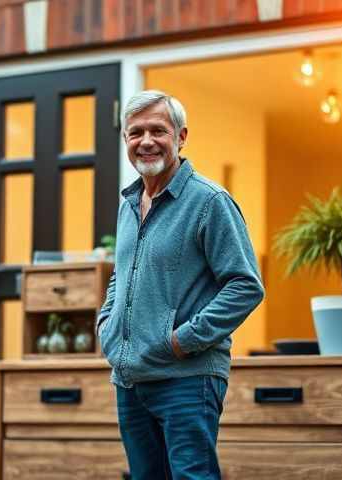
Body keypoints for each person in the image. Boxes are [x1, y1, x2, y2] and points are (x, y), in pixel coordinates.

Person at [96, 90, 265, 479]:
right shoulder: (129, 204)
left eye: (158, 130)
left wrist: (181, 340)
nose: (146, 141)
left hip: (186, 379)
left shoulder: (209, 201)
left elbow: (245, 285)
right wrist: (107, 324)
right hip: (130, 379)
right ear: (126, 140)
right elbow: (122, 273)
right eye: (135, 132)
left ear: (181, 137)